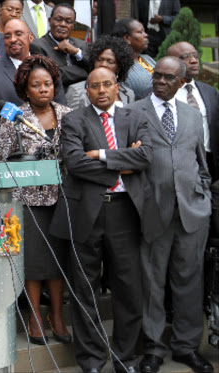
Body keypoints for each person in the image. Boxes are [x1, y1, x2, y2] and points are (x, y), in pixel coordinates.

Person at [50, 67, 160, 373]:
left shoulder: (136, 118)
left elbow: (147, 156)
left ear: (117, 88)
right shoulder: (73, 119)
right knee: (86, 289)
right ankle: (92, 361)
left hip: (126, 212)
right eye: (94, 86)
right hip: (86, 213)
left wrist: (99, 154)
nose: (101, 90)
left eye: (107, 84)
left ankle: (125, 359)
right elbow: (73, 161)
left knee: (128, 290)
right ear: (87, 91)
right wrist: (123, 164)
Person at [128, 56, 213, 373]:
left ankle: (187, 347)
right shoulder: (134, 112)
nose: (160, 81)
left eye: (167, 78)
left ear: (181, 81)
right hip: (153, 213)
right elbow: (129, 163)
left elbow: (201, 163)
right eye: (156, 76)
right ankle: (152, 349)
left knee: (189, 282)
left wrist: (201, 194)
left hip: (191, 213)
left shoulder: (192, 115)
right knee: (152, 284)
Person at [0, 55, 72, 345]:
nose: (43, 89)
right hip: (27, 201)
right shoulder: (13, 117)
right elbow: (3, 159)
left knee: (57, 261)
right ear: (25, 89)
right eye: (36, 85)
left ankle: (57, 315)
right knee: (34, 262)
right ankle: (35, 317)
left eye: (48, 84)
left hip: (62, 198)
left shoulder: (68, 114)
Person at [0, 18, 66, 135]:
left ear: (30, 37)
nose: (13, 39)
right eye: (7, 36)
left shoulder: (47, 66)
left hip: (52, 138)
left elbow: (61, 107)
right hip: (13, 144)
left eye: (18, 34)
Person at [167, 41, 219, 182]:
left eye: (196, 55)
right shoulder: (160, 95)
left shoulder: (210, 92)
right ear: (170, 62)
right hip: (177, 166)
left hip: (210, 164)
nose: (194, 60)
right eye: (186, 56)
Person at [30, 2, 90, 91]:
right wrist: (85, 72)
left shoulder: (81, 45)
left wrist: (76, 52)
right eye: (58, 19)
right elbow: (51, 76)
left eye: (68, 21)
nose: (63, 24)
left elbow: (94, 67)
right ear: (50, 21)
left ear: (73, 26)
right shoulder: (37, 45)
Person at [66, 35, 135, 110]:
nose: (103, 64)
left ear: (119, 67)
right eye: (100, 60)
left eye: (110, 61)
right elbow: (71, 120)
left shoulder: (128, 94)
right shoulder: (77, 91)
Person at [112, 18, 155, 100]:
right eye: (140, 32)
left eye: (144, 31)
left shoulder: (148, 59)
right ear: (127, 38)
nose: (146, 35)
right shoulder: (119, 65)